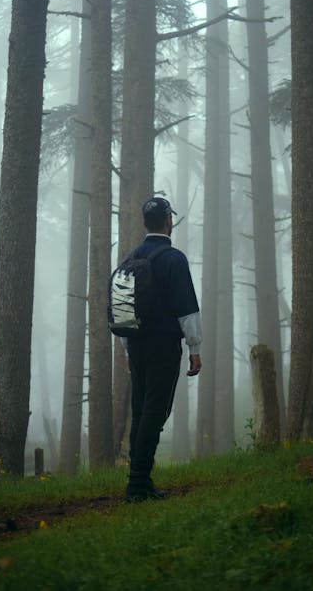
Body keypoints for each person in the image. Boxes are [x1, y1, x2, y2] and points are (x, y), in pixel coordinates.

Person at [120, 196, 202, 502]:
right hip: (164, 347)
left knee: (142, 411)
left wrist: (128, 350)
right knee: (156, 411)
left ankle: (139, 481)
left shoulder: (130, 259)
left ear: (145, 222)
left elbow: (124, 310)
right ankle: (138, 484)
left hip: (137, 346)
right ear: (168, 220)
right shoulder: (173, 259)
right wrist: (194, 347)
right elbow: (187, 309)